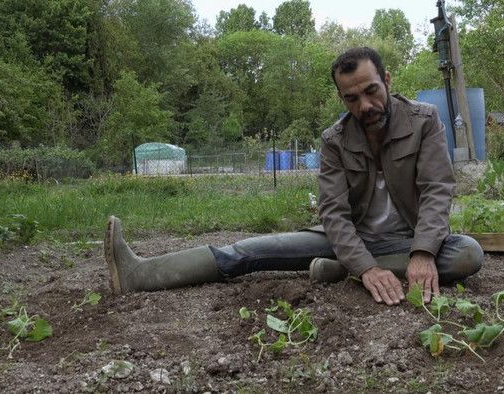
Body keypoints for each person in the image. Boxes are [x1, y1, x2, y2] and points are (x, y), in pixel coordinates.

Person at [104, 47, 483, 305]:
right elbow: (333, 214)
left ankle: (339, 273)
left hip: (409, 240)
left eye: (371, 91)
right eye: (352, 98)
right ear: (341, 98)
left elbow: (437, 189)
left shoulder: (424, 121)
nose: (365, 106)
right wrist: (365, 266)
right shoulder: (334, 140)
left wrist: (420, 253)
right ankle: (139, 274)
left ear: (386, 78)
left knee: (466, 253)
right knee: (250, 251)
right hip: (347, 242)